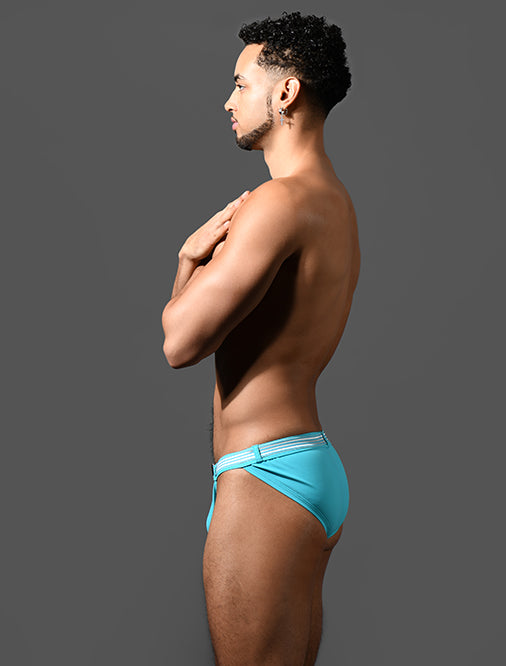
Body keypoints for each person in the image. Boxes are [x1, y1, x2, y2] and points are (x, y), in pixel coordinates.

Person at [162, 12, 360, 665]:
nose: (229, 101)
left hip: (264, 475)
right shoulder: (335, 202)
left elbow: (180, 344)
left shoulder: (280, 203)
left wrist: (186, 263)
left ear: (287, 92)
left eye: (242, 84)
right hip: (304, 463)